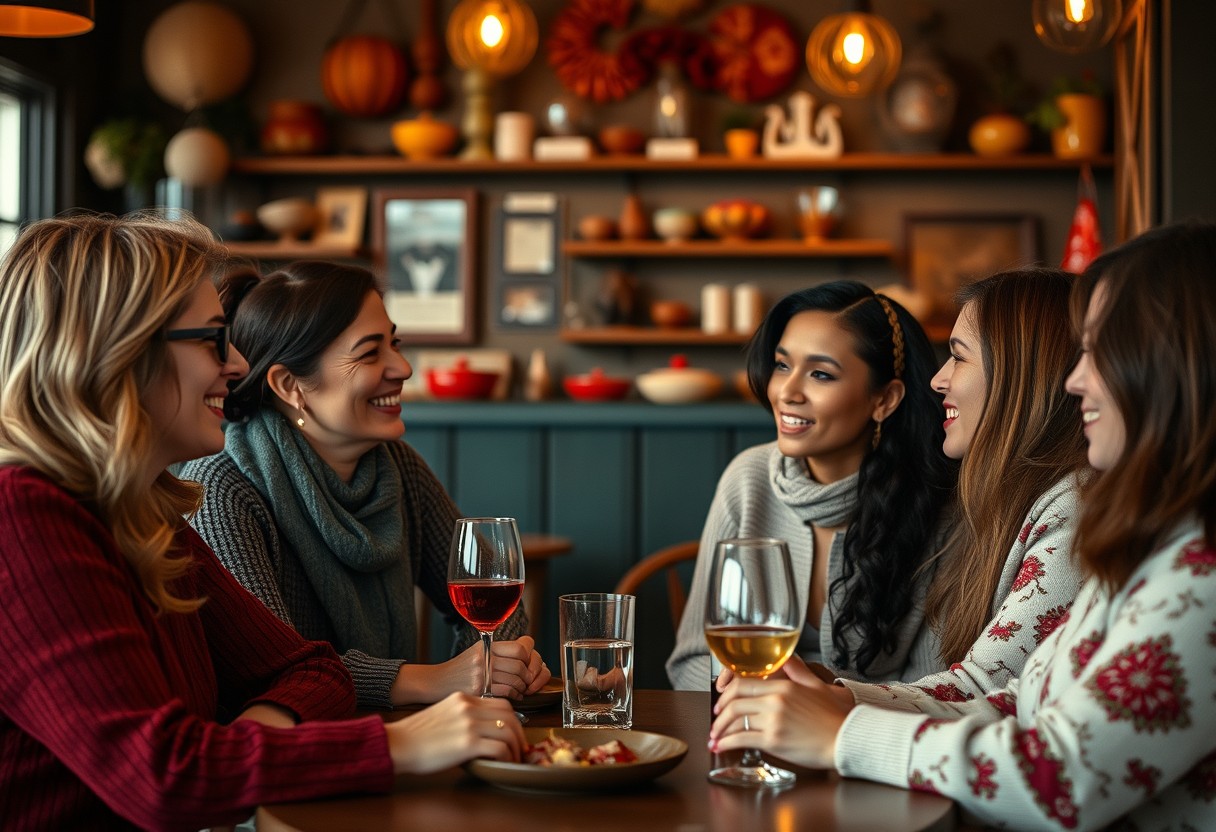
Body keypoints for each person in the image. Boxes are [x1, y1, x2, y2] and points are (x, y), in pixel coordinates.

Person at [0, 214, 525, 830]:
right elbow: (167, 779)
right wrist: (402, 744)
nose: (236, 363)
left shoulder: (146, 514)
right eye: (212, 339)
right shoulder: (23, 518)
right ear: (123, 353)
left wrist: (249, 751)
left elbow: (311, 670)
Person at [711, 223, 1216, 830]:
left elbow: (1063, 779)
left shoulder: (1193, 566)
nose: (1075, 379)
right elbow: (1011, 701)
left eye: (1098, 351)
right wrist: (842, 699)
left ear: (1171, 365)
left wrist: (844, 732)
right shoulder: (1157, 543)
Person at [181, 260, 549, 710]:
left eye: (395, 344)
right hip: (293, 758)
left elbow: (495, 598)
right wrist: (434, 681)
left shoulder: (398, 468)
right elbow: (270, 669)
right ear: (290, 384)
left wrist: (495, 670)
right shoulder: (221, 489)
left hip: (408, 739)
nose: (404, 368)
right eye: (370, 352)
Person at [668, 281, 956, 689]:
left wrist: (823, 697)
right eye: (783, 365)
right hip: (751, 736)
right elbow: (693, 661)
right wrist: (770, 691)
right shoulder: (748, 480)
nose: (786, 391)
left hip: (874, 746)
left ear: (884, 400)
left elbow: (941, 685)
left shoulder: (938, 502)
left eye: (820, 374)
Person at [831, 268, 1089, 708]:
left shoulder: (1075, 504)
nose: (938, 380)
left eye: (959, 356)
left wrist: (832, 702)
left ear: (1019, 375)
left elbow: (986, 689)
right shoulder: (1006, 500)